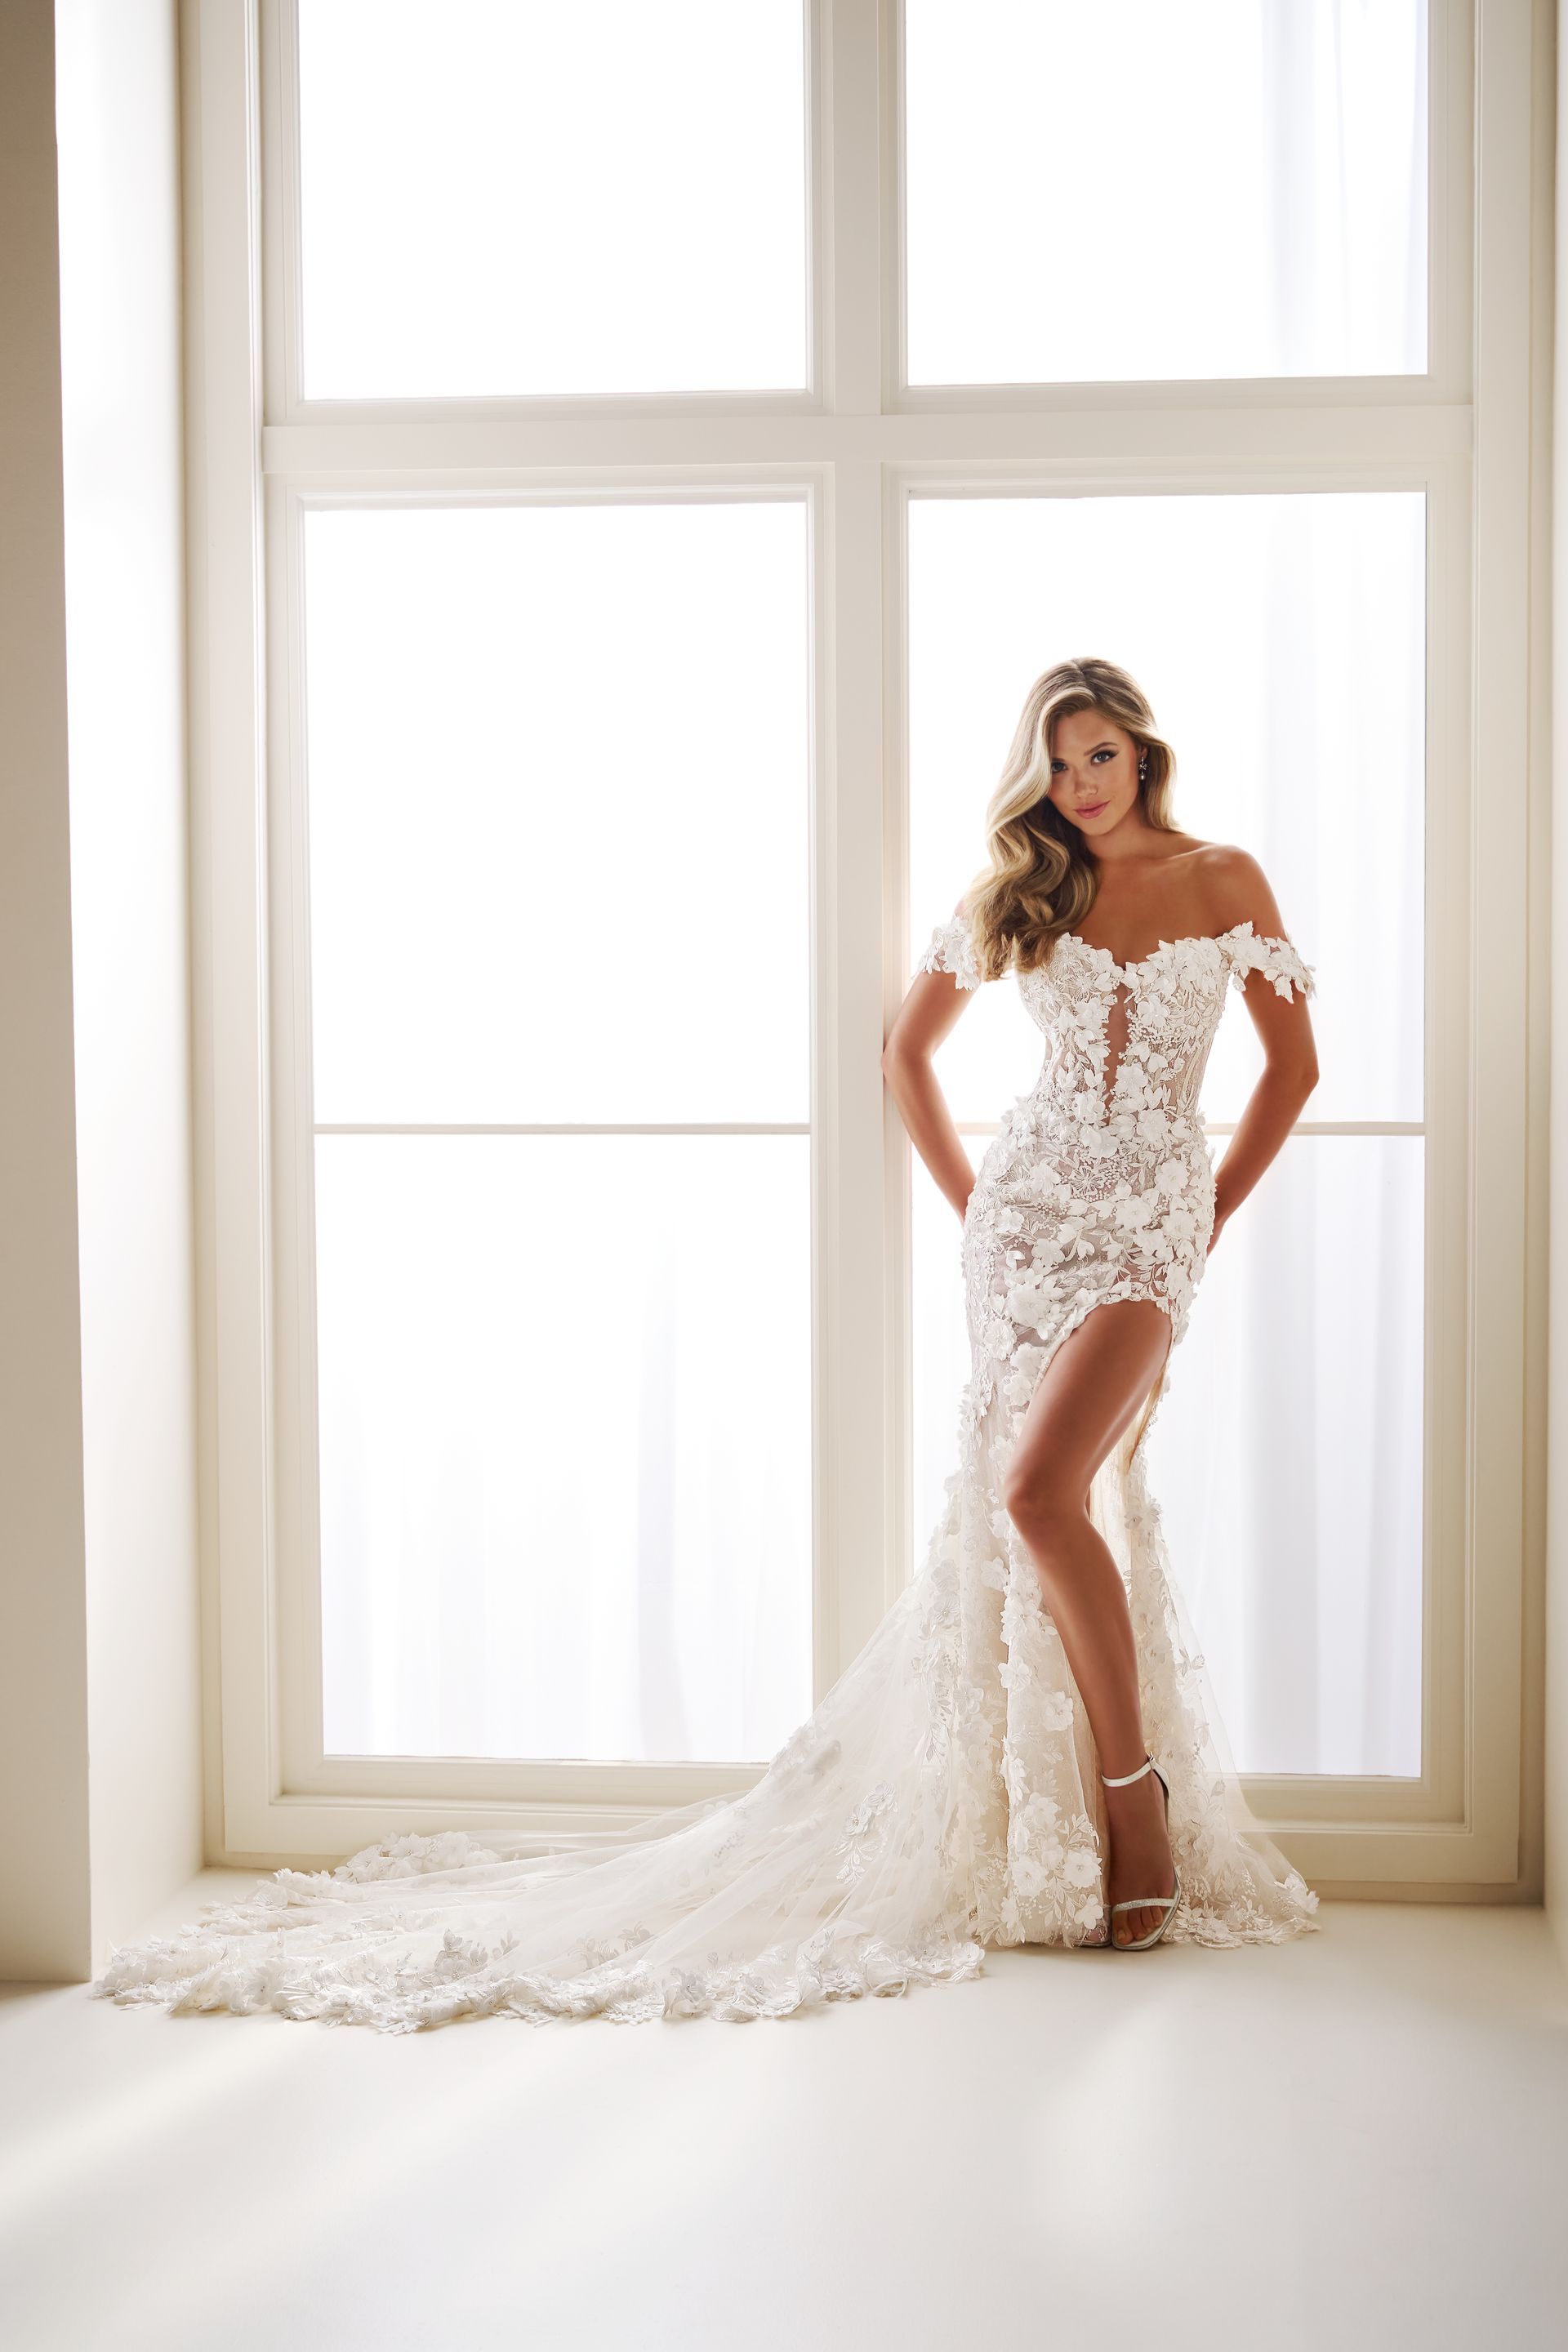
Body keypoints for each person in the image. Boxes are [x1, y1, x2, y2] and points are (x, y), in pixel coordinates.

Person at [95, 656, 1319, 2034]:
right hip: (1027, 1230)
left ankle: (1129, 1806)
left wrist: (1204, 1211)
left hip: (1150, 1227)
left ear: (1145, 757)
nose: (1082, 786)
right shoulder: (1028, 891)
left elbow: (1293, 1069)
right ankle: (1082, 1813)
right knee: (1033, 1503)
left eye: (1102, 757)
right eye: (1061, 763)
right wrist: (979, 1207)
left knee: (1047, 1493)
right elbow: (905, 1054)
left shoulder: (1225, 878)